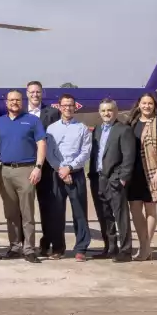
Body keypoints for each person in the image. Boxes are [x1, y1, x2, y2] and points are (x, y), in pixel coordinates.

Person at [0, 89, 48, 263]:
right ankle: (15, 246)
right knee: (11, 212)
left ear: (22, 101)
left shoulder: (32, 120)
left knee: (27, 212)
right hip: (6, 171)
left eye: (17, 100)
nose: (14, 103)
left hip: (27, 170)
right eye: (11, 100)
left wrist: (38, 167)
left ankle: (29, 249)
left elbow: (41, 143)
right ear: (6, 102)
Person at [44, 94, 93, 261]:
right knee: (56, 213)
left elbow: (85, 152)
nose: (67, 108)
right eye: (64, 105)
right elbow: (49, 153)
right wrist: (61, 170)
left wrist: (69, 168)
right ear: (59, 107)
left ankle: (81, 248)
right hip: (57, 173)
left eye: (71, 105)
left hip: (76, 174)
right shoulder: (51, 129)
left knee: (79, 212)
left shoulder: (82, 128)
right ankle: (58, 248)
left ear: (75, 107)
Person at [89, 98, 136, 263]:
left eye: (109, 110)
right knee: (104, 215)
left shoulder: (124, 130)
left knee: (120, 216)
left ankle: (125, 250)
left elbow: (129, 156)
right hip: (98, 178)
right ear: (99, 112)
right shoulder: (97, 129)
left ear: (116, 112)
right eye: (103, 110)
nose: (106, 113)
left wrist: (123, 177)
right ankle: (110, 248)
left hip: (114, 179)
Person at [128, 92, 157, 261]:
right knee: (135, 209)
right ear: (139, 105)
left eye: (150, 103)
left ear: (154, 106)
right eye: (144, 103)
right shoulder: (131, 123)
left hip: (152, 171)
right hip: (134, 171)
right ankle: (143, 244)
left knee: (150, 209)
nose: (147, 106)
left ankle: (146, 247)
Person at [26, 81, 63, 256]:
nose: (35, 95)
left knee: (48, 207)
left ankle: (51, 244)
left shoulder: (53, 113)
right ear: (27, 93)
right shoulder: (20, 113)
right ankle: (24, 244)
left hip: (47, 168)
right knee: (24, 208)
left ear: (42, 93)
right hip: (25, 166)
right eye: (32, 92)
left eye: (38, 92)